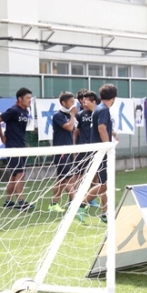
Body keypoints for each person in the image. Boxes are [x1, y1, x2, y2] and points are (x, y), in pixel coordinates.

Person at [77, 84, 117, 224]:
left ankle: (105, 212)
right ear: (114, 98)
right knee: (105, 184)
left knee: (104, 183)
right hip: (101, 152)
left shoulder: (99, 109)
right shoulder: (103, 109)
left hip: (97, 151)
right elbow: (101, 128)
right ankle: (81, 205)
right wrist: (108, 146)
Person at [0, 87, 34, 210]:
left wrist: (24, 143)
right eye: (27, 98)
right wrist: (2, 137)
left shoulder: (25, 112)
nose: (30, 100)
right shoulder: (13, 110)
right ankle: (21, 201)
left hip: (21, 145)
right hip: (13, 146)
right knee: (21, 173)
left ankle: (8, 201)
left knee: (15, 174)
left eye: (30, 98)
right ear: (20, 99)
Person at [49, 92, 78, 213]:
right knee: (67, 179)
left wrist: (74, 150)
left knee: (61, 179)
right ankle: (77, 204)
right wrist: (73, 114)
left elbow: (73, 132)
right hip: (61, 152)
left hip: (69, 151)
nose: (73, 104)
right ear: (63, 103)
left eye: (73, 102)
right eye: (71, 102)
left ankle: (53, 204)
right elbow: (69, 127)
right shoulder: (58, 116)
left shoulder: (69, 116)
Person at [73, 90, 99, 208]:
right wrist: (75, 147)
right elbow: (76, 132)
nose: (84, 103)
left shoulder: (99, 113)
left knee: (95, 175)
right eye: (83, 101)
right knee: (79, 175)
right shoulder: (80, 115)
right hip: (83, 148)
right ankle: (74, 199)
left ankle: (90, 199)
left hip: (96, 148)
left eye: (86, 100)